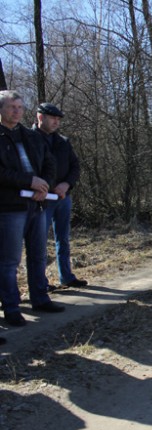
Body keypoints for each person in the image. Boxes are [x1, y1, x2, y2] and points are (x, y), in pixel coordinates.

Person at [0, 90, 64, 327]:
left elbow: (50, 162)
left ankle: (40, 297)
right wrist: (28, 181)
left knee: (38, 255)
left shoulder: (31, 136)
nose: (16, 111)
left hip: (37, 203)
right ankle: (11, 307)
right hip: (10, 207)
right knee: (9, 260)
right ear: (1, 109)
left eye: (20, 107)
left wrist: (44, 185)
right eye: (11, 107)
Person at [33, 102, 87, 290]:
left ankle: (66, 276)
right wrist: (51, 186)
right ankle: (41, 282)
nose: (56, 122)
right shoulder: (30, 139)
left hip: (63, 198)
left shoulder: (63, 141)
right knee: (38, 242)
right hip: (40, 198)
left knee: (62, 239)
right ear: (41, 117)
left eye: (58, 119)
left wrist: (66, 184)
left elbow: (75, 166)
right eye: (52, 118)